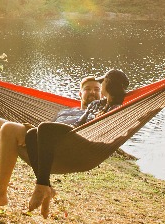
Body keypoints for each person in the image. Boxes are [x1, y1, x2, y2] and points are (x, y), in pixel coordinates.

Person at [0, 76, 103, 211]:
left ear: (102, 94)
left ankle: (0, 194)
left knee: (9, 129)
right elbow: (49, 127)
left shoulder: (98, 113)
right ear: (80, 94)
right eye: (87, 89)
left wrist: (103, 109)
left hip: (66, 149)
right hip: (42, 140)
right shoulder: (65, 111)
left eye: (97, 89)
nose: (92, 92)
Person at [25, 68, 129, 218]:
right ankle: (45, 185)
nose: (101, 85)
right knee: (31, 134)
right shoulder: (96, 105)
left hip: (87, 143)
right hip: (76, 133)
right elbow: (80, 122)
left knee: (44, 128)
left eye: (103, 82)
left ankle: (41, 186)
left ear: (109, 85)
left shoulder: (116, 109)